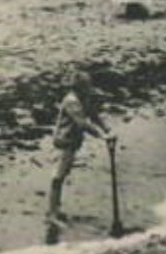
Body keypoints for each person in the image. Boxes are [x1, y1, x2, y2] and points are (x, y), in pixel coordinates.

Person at [45, 74, 115, 226]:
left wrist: (107, 129)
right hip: (64, 141)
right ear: (79, 87)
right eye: (87, 86)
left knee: (63, 174)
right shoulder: (72, 101)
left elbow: (93, 115)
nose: (89, 89)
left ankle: (55, 209)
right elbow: (82, 123)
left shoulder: (83, 98)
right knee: (58, 176)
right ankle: (51, 214)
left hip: (73, 141)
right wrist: (101, 136)